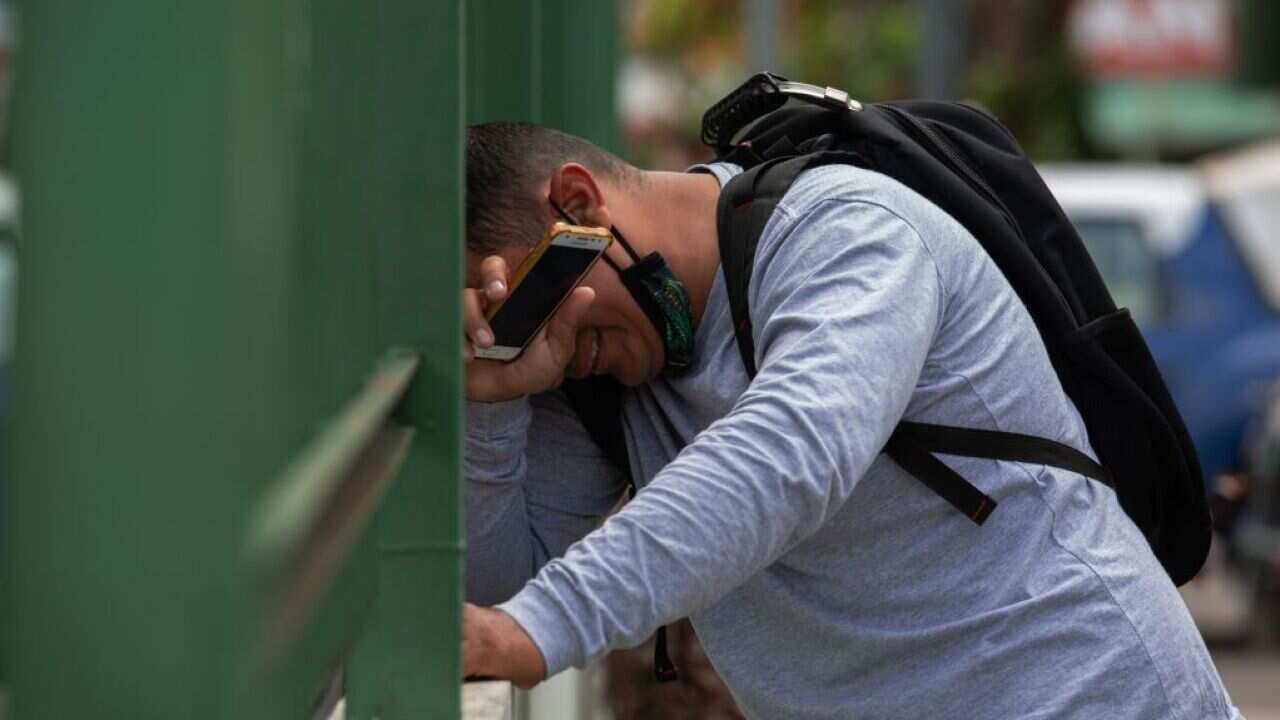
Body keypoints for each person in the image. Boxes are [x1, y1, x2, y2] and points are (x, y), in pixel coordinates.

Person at [459, 121, 1242, 719]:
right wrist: (493, 400)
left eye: (527, 300)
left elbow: (789, 455)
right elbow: (496, 600)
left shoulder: (847, 230)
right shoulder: (595, 369)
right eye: (500, 323)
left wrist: (541, 627)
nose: (535, 338)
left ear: (578, 204)